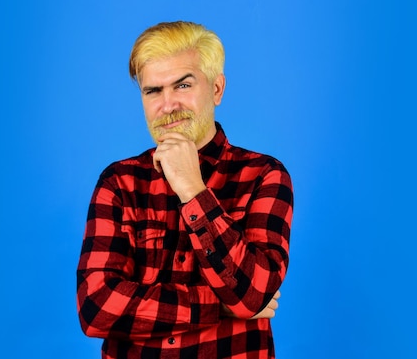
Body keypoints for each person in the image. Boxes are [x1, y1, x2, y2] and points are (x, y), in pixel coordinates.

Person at [76, 21, 294, 359]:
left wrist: (193, 190)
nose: (168, 105)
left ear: (217, 90)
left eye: (183, 85)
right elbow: (96, 308)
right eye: (153, 91)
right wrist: (216, 307)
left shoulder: (264, 176)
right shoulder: (118, 182)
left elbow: (253, 295)